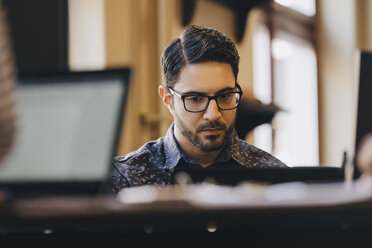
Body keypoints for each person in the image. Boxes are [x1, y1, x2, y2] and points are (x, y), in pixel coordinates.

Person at [102, 25, 287, 194]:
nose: (213, 114)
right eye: (196, 99)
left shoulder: (275, 177)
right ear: (168, 99)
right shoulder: (125, 180)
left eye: (224, 96)